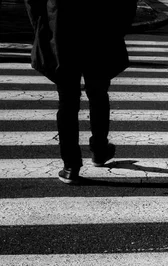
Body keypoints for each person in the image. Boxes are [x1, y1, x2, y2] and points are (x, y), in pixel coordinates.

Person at [24, 0, 137, 184]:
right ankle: (99, 150)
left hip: (62, 31)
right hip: (100, 31)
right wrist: (118, 29)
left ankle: (71, 165)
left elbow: (33, 2)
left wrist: (42, 27)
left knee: (68, 101)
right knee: (98, 93)